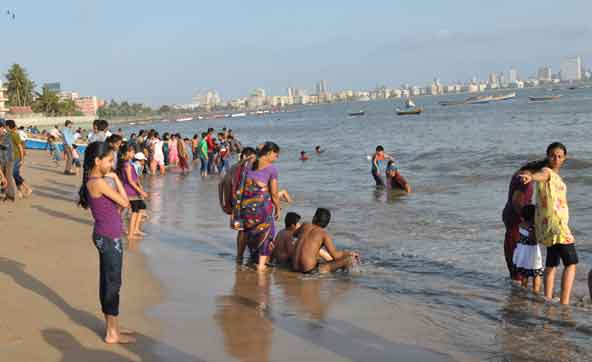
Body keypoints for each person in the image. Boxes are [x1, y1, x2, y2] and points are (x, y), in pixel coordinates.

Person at [77, 141, 135, 344]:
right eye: (109, 160)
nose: (111, 164)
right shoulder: (99, 181)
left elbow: (116, 208)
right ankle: (112, 332)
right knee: (112, 284)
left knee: (109, 282)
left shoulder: (95, 180)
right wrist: (117, 178)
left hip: (105, 235)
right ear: (97, 160)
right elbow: (126, 202)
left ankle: (113, 326)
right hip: (109, 237)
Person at [519, 142, 576, 305]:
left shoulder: (554, 175)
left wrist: (531, 176)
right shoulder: (547, 172)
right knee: (571, 263)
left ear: (564, 158)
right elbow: (542, 175)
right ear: (547, 157)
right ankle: (564, 303)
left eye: (559, 156)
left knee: (551, 263)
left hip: (547, 227)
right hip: (557, 226)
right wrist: (531, 177)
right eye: (553, 155)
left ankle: (548, 299)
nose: (556, 158)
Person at [235, 142, 281, 271]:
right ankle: (261, 265)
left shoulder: (247, 165)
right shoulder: (272, 169)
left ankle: (240, 257)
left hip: (245, 206)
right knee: (267, 231)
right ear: (270, 153)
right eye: (276, 155)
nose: (276, 159)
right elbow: (274, 193)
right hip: (261, 208)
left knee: (246, 231)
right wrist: (277, 208)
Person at [502, 160, 545, 281]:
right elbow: (517, 201)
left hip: (510, 216)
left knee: (513, 250)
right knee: (518, 252)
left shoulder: (519, 173)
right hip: (517, 219)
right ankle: (517, 284)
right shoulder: (525, 181)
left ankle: (515, 283)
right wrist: (528, 221)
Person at [292, 208, 359, 274]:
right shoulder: (324, 234)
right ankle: (342, 280)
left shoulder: (305, 225)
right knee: (348, 260)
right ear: (326, 223)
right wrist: (349, 253)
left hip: (294, 268)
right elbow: (335, 255)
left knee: (319, 258)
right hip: (309, 271)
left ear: (314, 218)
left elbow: (294, 234)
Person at [219, 147, 258, 260]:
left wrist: (224, 203)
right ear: (246, 156)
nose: (254, 160)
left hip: (236, 203)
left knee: (242, 230)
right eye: (253, 158)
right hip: (247, 202)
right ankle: (249, 255)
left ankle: (240, 256)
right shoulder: (248, 168)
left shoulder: (233, 168)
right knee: (250, 228)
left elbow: (222, 184)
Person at [117, 143, 148, 240]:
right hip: (131, 191)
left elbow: (134, 178)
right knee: (134, 211)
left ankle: (130, 230)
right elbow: (130, 180)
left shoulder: (126, 162)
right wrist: (140, 191)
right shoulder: (127, 164)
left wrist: (139, 187)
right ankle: (131, 234)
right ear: (127, 152)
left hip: (131, 189)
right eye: (133, 151)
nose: (134, 153)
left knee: (136, 209)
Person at [512, 205, 543, 293]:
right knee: (536, 274)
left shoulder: (521, 224)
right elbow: (533, 239)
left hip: (522, 252)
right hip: (531, 252)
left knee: (524, 273)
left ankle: (524, 289)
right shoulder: (532, 227)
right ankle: (536, 292)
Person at [7, 120, 32, 198]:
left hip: (17, 157)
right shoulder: (7, 135)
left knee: (14, 173)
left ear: (8, 126)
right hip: (11, 158)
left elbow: (20, 147)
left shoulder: (15, 135)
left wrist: (22, 159)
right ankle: (20, 191)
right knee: (15, 174)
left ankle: (27, 188)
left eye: (5, 126)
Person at [0, 119, 17, 201]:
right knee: (2, 176)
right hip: (2, 160)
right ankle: (5, 192)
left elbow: (5, 146)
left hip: (9, 160)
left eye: (1, 127)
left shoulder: (7, 135)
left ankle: (11, 195)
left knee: (8, 176)